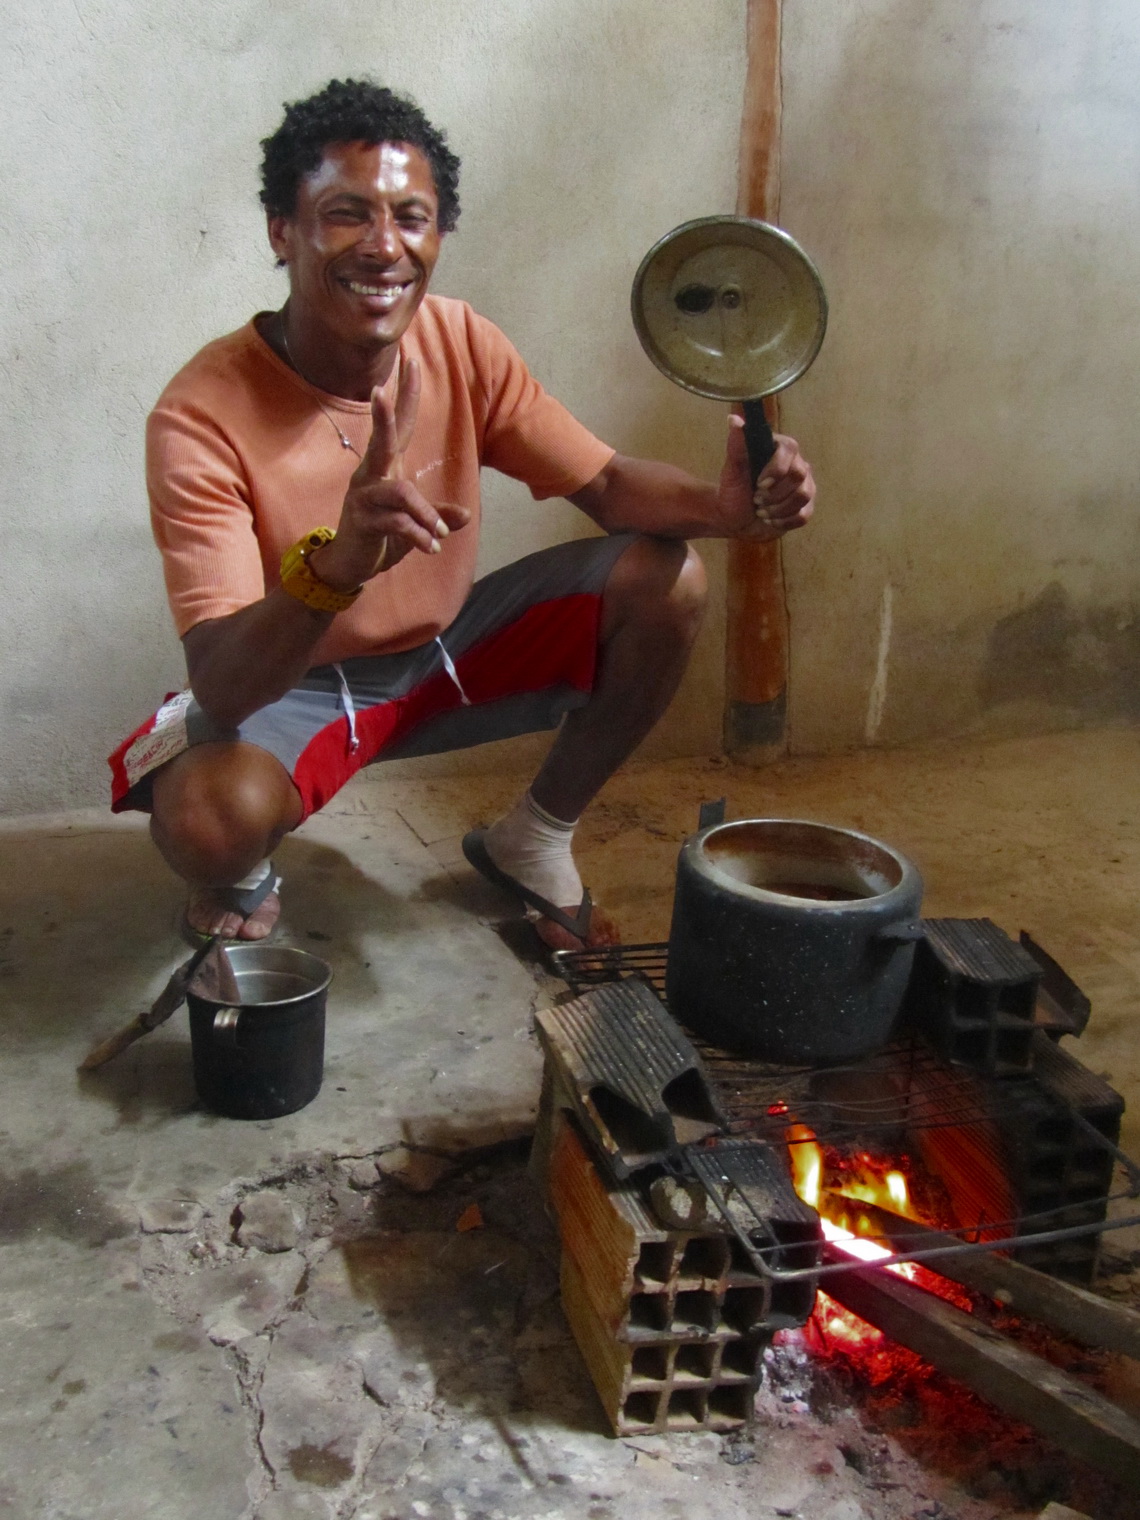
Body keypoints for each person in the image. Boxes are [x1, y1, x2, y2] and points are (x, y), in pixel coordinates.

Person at [109, 78, 815, 952]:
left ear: (440, 236)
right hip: (295, 685)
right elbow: (221, 681)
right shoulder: (201, 414)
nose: (383, 248)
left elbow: (606, 486)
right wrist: (336, 570)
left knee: (667, 577)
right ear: (281, 231)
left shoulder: (461, 343)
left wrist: (721, 508)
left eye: (412, 217)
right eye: (344, 214)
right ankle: (243, 871)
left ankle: (535, 839)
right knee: (209, 823)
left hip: (445, 654)